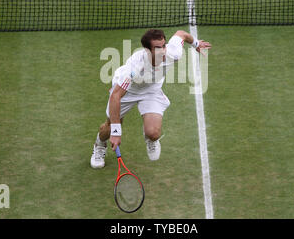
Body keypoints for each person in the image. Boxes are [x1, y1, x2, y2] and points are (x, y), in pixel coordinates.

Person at [90, 29, 212, 168]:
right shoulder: (135, 68)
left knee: (153, 133)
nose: (163, 51)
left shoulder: (173, 53)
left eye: (164, 45)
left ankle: (150, 139)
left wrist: (196, 43)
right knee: (110, 127)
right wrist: (116, 132)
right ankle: (99, 144)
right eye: (158, 48)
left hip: (151, 91)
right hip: (127, 92)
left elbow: (181, 34)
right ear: (147, 50)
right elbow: (116, 95)